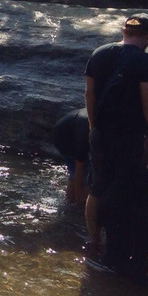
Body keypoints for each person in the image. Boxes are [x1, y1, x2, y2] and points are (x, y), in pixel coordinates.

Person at [84, 13, 148, 278]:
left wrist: (93, 128)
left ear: (124, 31)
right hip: (129, 137)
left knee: (98, 187)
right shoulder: (144, 61)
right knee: (125, 190)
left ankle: (94, 240)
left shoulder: (98, 53)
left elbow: (89, 93)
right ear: (147, 36)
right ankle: (119, 250)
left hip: (100, 133)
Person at [52, 107, 100, 253]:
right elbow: (80, 167)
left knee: (81, 174)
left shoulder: (100, 123)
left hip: (68, 130)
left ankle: (71, 206)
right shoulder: (85, 132)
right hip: (64, 138)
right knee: (81, 175)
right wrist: (80, 201)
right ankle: (76, 206)